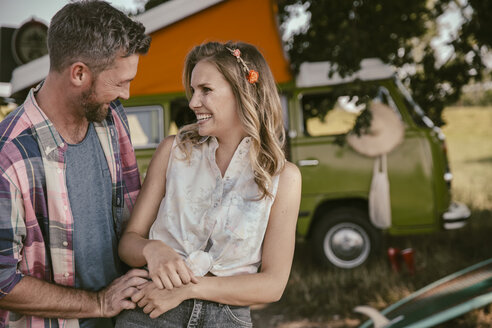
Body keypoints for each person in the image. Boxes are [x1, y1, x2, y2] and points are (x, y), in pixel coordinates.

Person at [115, 41, 302, 327]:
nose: (192, 102)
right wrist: (152, 249)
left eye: (206, 90)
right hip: (151, 311)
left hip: (226, 318)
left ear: (244, 93)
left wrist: (188, 289)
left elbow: (273, 285)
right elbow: (128, 243)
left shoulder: (283, 177)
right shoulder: (172, 152)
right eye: (193, 91)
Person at [0, 1, 151, 327]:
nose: (127, 93)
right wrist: (98, 302)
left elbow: (132, 216)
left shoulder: (111, 119)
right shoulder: (8, 157)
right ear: (79, 73)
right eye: (120, 82)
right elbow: (2, 283)